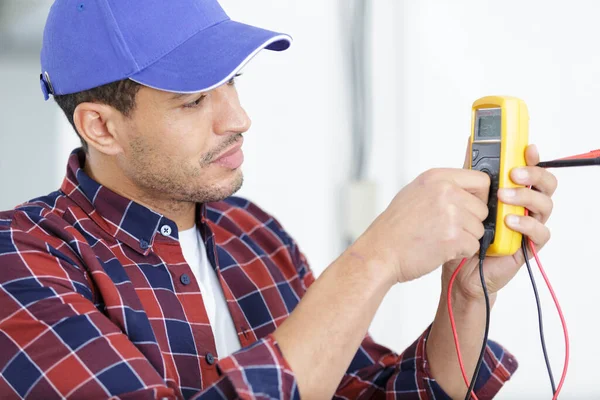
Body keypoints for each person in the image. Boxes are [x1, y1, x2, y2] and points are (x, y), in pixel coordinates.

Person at [0, 1, 557, 399]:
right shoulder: (22, 261)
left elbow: (376, 393)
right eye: (193, 100)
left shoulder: (252, 232)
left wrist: (463, 293)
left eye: (233, 81)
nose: (239, 119)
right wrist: (373, 259)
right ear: (101, 127)